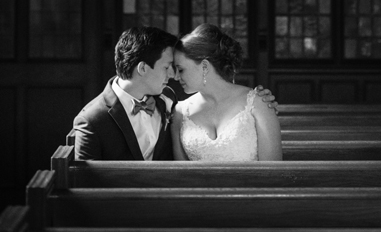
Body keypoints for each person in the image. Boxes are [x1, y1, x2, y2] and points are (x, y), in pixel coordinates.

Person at [73, 25, 279, 160]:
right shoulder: (92, 119)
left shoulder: (167, 100)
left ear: (204, 66)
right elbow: (81, 181)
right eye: (168, 67)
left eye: (179, 69)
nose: (173, 75)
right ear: (143, 69)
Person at [171, 24, 282, 161]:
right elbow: (180, 174)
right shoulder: (180, 112)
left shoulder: (259, 104)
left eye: (180, 70)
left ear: (205, 66)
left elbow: (272, 171)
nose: (175, 77)